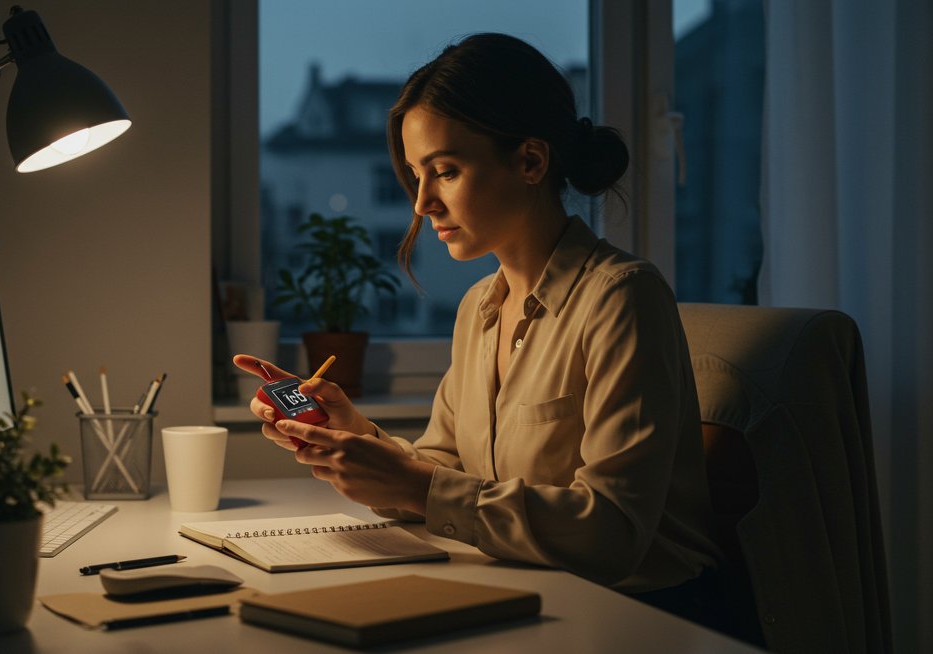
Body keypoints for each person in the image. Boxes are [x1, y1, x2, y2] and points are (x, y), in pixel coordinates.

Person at [234, 33, 723, 629]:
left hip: (637, 614)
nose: (421, 204)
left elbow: (612, 532)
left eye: (444, 171)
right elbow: (447, 465)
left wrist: (417, 488)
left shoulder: (621, 297)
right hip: (529, 591)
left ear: (530, 162)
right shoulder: (479, 307)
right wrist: (354, 434)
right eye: (416, 175)